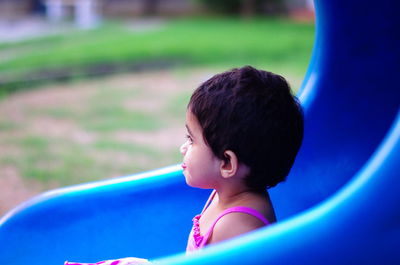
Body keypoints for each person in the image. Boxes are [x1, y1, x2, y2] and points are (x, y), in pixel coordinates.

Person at [65, 65, 304, 264]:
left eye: (191, 139)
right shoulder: (227, 191)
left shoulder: (238, 225)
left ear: (227, 163)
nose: (183, 147)